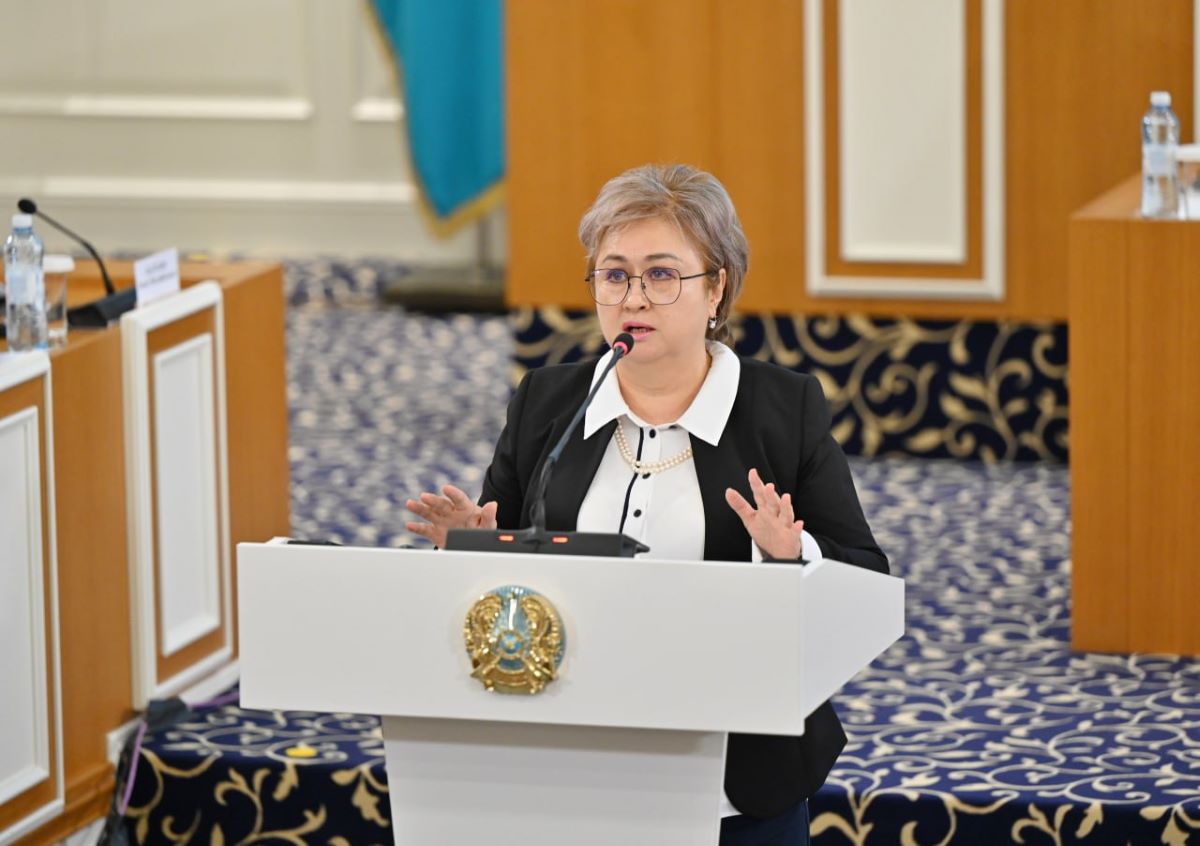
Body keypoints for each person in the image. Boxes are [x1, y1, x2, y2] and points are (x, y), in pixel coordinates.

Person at [406, 163, 888, 846]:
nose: (634, 298)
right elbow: (510, 577)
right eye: (614, 274)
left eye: (662, 274)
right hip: (567, 759)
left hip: (735, 780)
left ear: (716, 288)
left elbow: (865, 575)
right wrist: (473, 547)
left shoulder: (783, 413)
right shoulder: (548, 404)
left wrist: (792, 554)